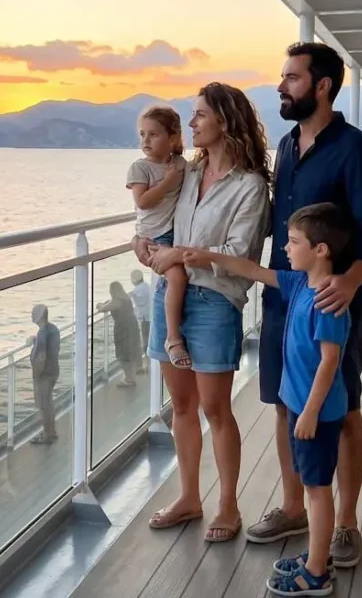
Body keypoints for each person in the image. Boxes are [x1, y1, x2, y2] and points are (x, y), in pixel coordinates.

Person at [249, 41, 362, 570]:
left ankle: (346, 522)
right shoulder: (285, 146)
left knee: (343, 408)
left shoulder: (355, 150)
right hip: (284, 301)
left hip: (333, 302)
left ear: (322, 85)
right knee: (286, 402)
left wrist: (352, 283)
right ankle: (294, 507)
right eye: (283, 78)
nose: (281, 87)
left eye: (291, 78)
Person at [186, 202, 352, 596]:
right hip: (301, 407)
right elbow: (254, 270)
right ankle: (316, 556)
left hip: (318, 413)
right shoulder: (299, 284)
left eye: (294, 242)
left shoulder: (327, 300)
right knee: (311, 483)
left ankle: (316, 574)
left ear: (321, 250)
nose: (287, 249)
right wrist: (210, 256)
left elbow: (331, 361)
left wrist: (309, 413)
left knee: (316, 489)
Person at [134, 82, 271, 543]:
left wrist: (182, 254)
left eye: (198, 116)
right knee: (183, 406)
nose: (189, 124)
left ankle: (228, 503)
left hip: (215, 301)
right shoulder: (186, 174)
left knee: (216, 409)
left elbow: (240, 252)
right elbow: (160, 220)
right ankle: (189, 497)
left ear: (224, 122)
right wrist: (145, 243)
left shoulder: (250, 187)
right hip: (170, 296)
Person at [126, 105, 192, 369]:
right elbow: (142, 201)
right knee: (177, 277)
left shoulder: (181, 164)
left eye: (153, 135)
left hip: (177, 232)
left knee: (184, 276)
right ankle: (173, 338)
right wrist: (167, 181)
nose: (145, 141)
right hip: (155, 236)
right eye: (142, 134)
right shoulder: (140, 168)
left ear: (172, 137)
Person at [96, 281, 142, 387]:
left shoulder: (117, 301)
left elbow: (103, 309)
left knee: (123, 353)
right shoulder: (126, 298)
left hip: (123, 329)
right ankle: (132, 376)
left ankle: (129, 379)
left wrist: (100, 305)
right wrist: (107, 302)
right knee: (132, 350)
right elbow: (111, 303)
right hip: (132, 325)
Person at [28, 304, 61, 444]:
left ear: (40, 315)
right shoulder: (53, 329)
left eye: (33, 312)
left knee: (43, 406)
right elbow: (49, 346)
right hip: (54, 370)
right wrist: (35, 341)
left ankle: (47, 434)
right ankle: (51, 431)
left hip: (44, 374)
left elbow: (41, 356)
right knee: (49, 403)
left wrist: (36, 374)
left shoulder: (43, 333)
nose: (31, 315)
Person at [129, 270, 152, 366]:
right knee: (149, 339)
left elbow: (126, 297)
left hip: (145, 319)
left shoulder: (136, 290)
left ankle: (148, 363)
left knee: (146, 340)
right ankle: (150, 362)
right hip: (151, 316)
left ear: (133, 281)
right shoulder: (147, 286)